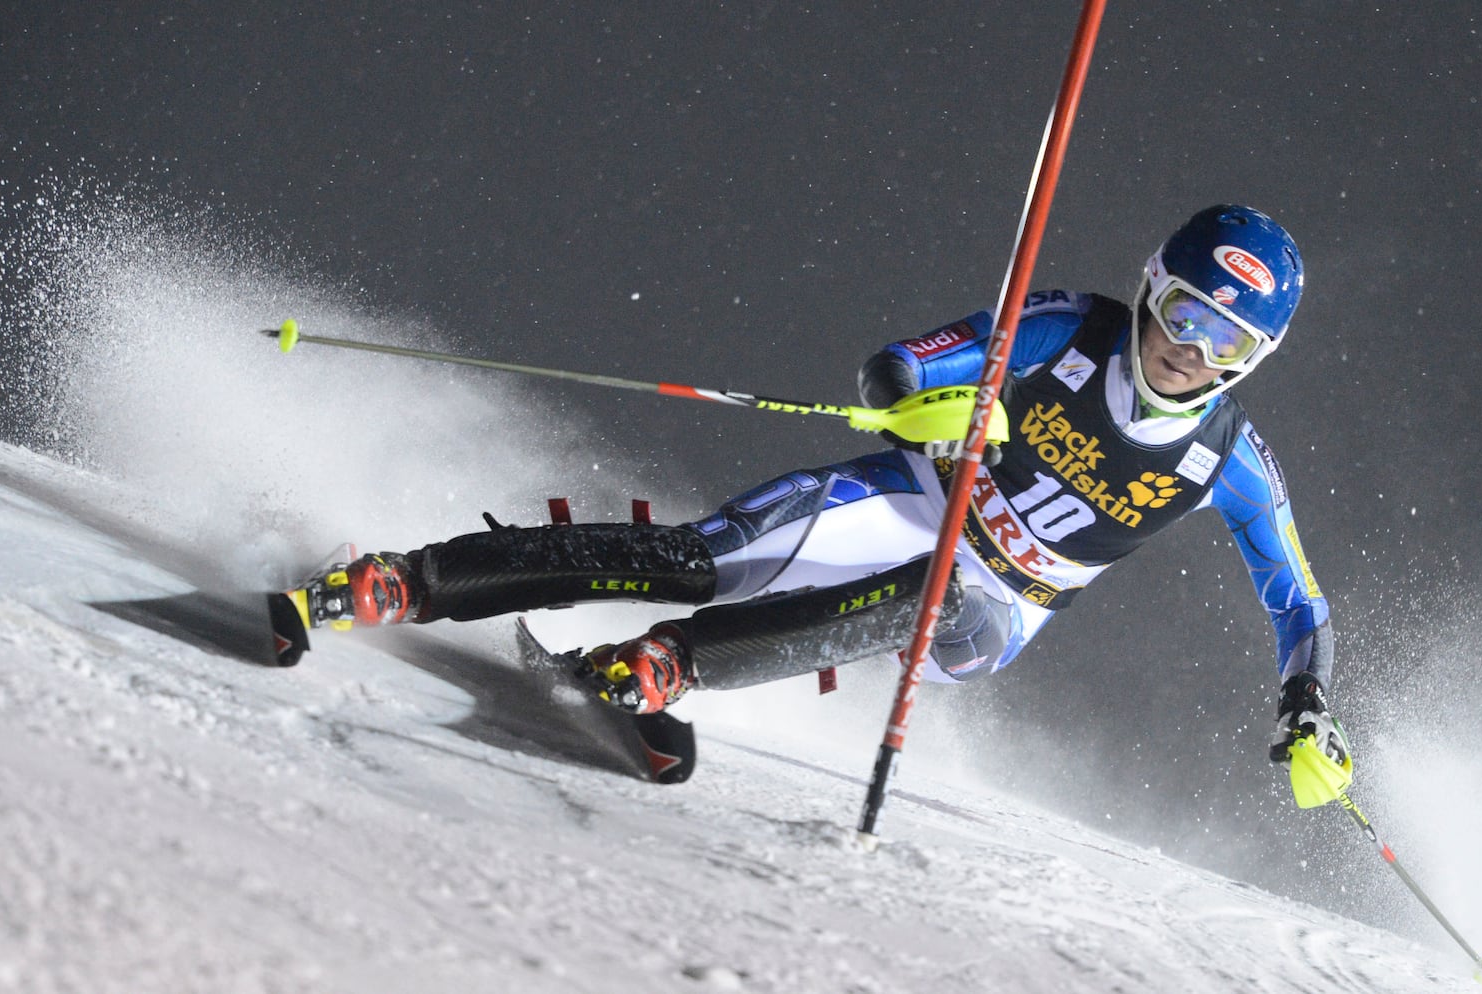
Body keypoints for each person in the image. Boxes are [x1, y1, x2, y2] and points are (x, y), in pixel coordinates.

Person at [296, 204, 1349, 774]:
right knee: (706, 557)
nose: (1184, 346)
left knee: (945, 603)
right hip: (922, 495)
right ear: (1151, 284)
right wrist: (923, 403)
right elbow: (902, 365)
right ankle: (410, 579)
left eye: (1223, 337)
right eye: (1178, 308)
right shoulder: (1068, 325)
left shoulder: (1231, 463)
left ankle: (665, 666)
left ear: (1250, 359)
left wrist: (1306, 704)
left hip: (1000, 606)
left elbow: (1298, 601)